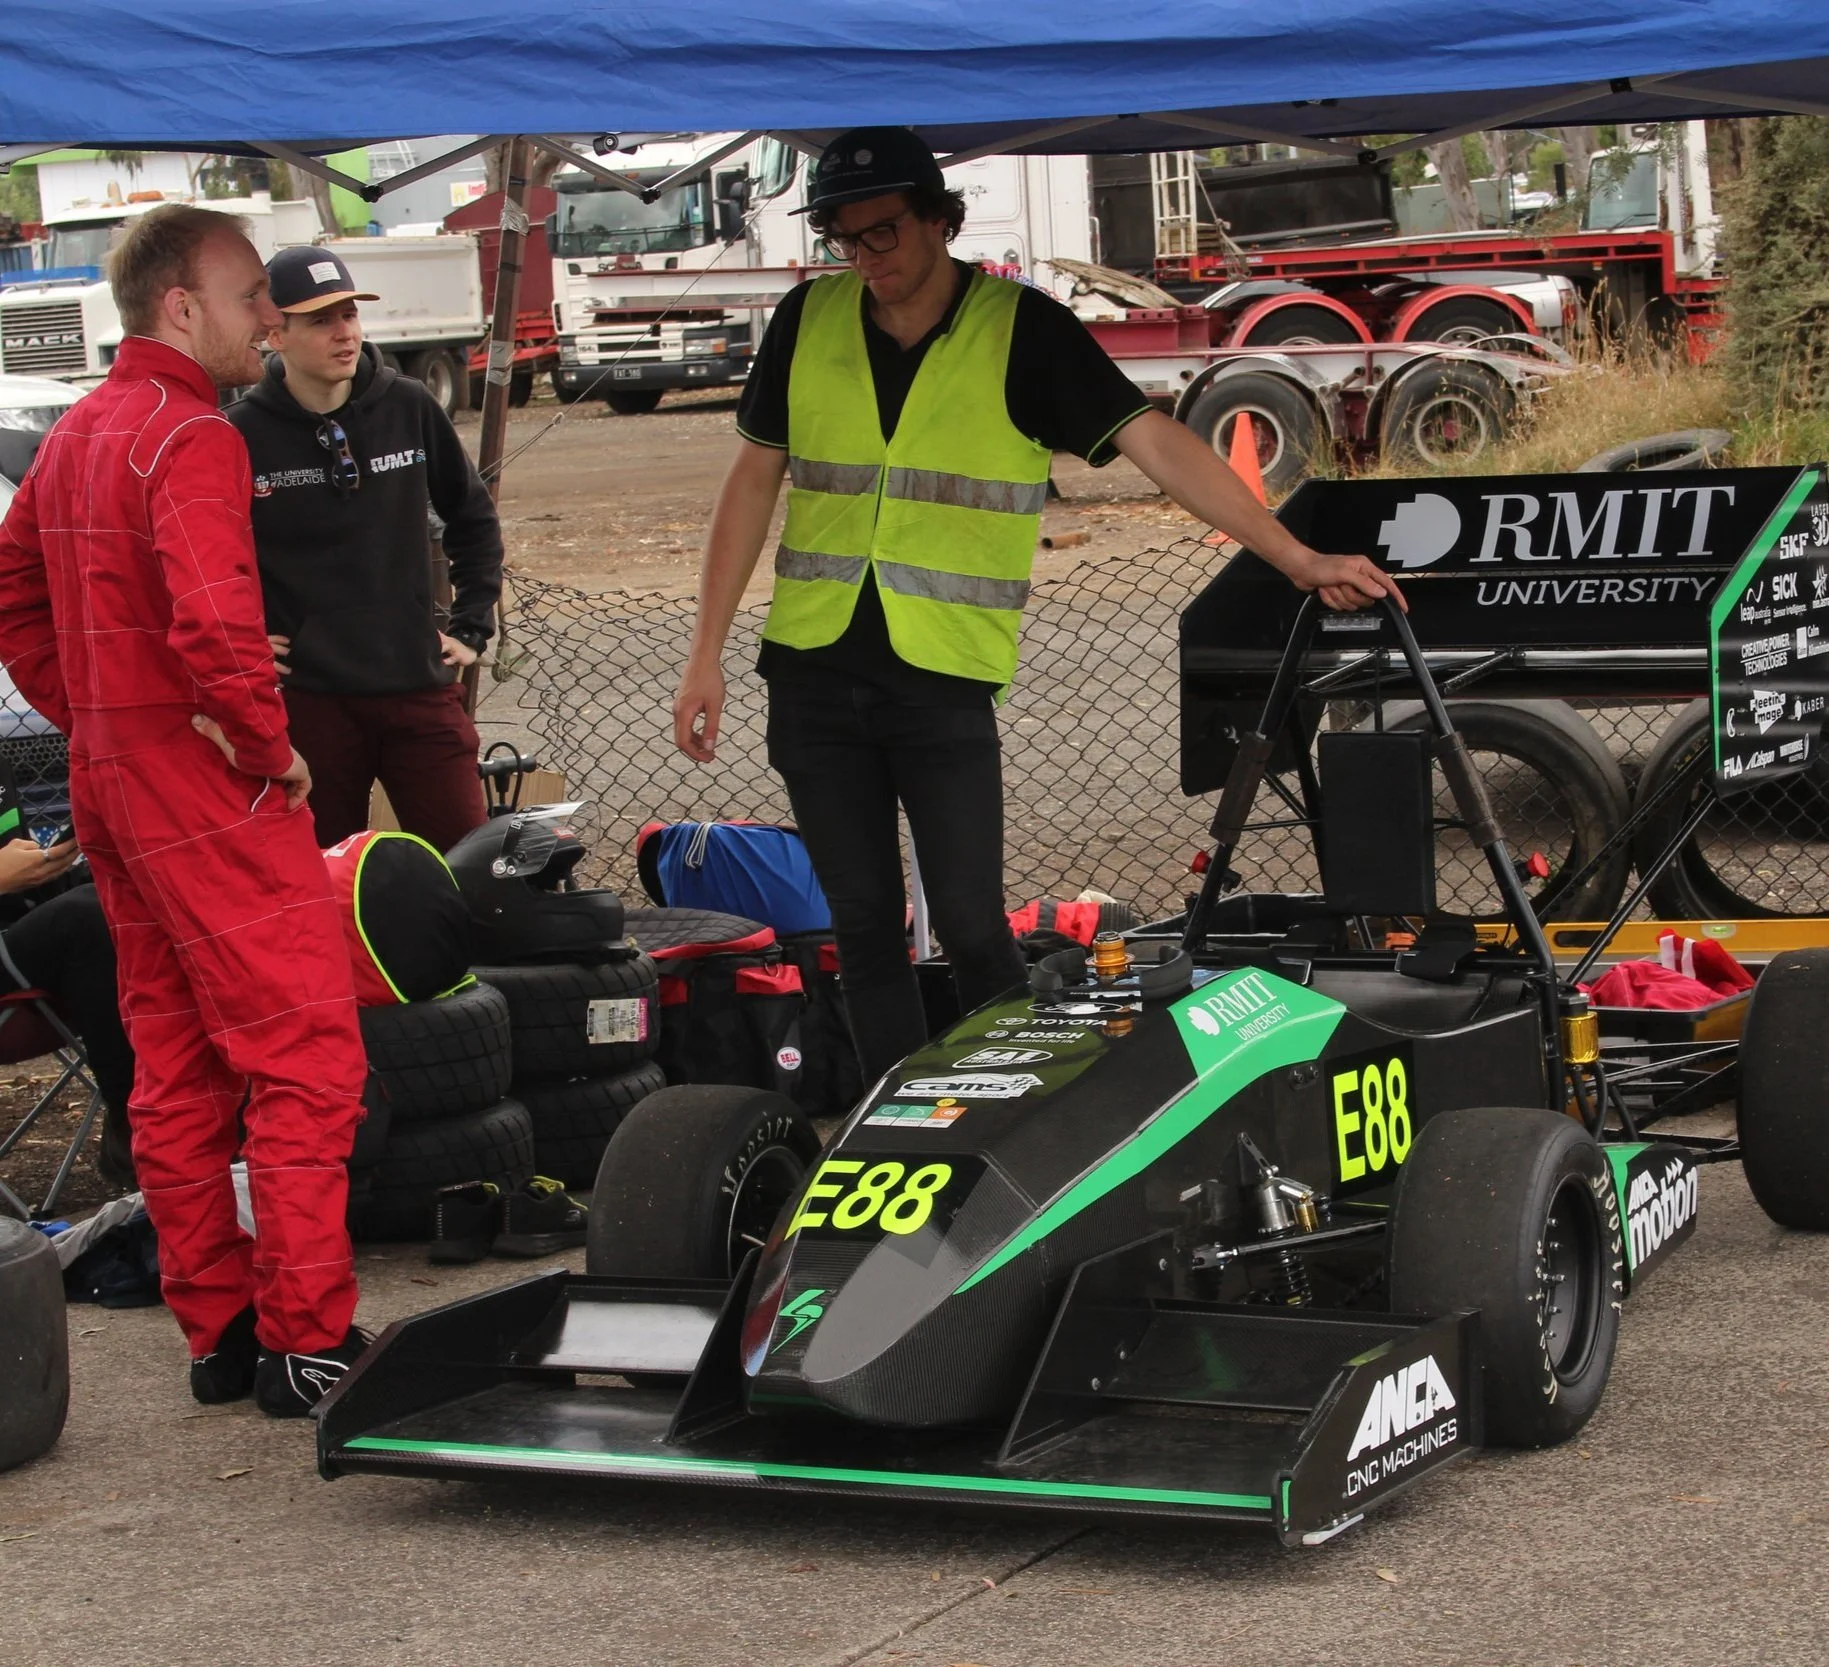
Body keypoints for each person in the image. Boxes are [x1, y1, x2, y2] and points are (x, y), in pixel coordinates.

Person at [673, 127, 1401, 1083]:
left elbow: (1161, 446)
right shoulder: (807, 320)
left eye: (882, 233)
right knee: (859, 926)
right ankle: (894, 1123)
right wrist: (705, 652)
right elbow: (752, 482)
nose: (866, 258)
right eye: (845, 240)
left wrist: (1294, 555)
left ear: (938, 218)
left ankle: (1004, 1107)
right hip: (811, 670)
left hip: (941, 676)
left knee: (975, 925)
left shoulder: (1022, 328)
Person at [0, 204, 371, 1417]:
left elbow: (13, 597)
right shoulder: (191, 434)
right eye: (252, 293)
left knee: (173, 1065)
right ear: (181, 306)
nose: (272, 315)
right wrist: (268, 751)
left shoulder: (78, 431)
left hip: (116, 780)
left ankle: (218, 1335)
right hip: (201, 789)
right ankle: (309, 1341)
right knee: (305, 1055)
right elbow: (218, 626)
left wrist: (97, 708)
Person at [227, 246, 502, 854]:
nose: (344, 333)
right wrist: (239, 642)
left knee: (469, 867)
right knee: (322, 880)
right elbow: (209, 562)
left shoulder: (408, 404)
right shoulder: (239, 433)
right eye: (322, 320)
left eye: (350, 314)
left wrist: (473, 625)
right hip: (311, 705)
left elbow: (472, 517)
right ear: (276, 332)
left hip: (418, 688)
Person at [0, 837, 136, 1187]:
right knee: (85, 914)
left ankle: (214, 1105)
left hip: (27, 936)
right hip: (24, 968)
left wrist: (50, 865)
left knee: (133, 880)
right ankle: (140, 1122)